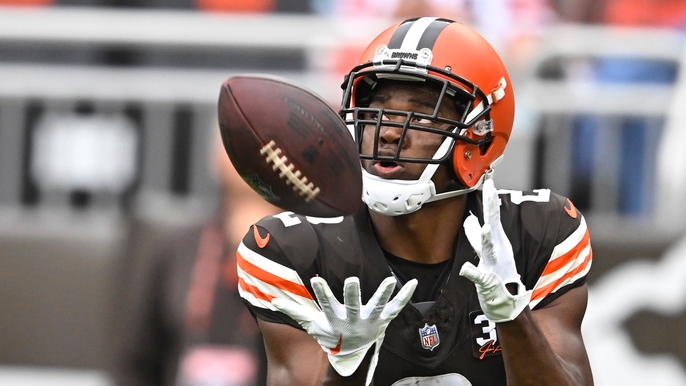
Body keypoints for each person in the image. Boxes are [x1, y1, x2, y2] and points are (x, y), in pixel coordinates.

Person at [235, 17, 593, 385]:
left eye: (422, 112)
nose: (389, 131)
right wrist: (348, 367)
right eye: (379, 110)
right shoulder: (294, 251)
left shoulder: (538, 234)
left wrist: (512, 314)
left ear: (480, 137)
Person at [110, 136, 279, 386]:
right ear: (215, 158)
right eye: (239, 138)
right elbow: (135, 360)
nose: (253, 155)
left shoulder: (310, 258)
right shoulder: (179, 248)